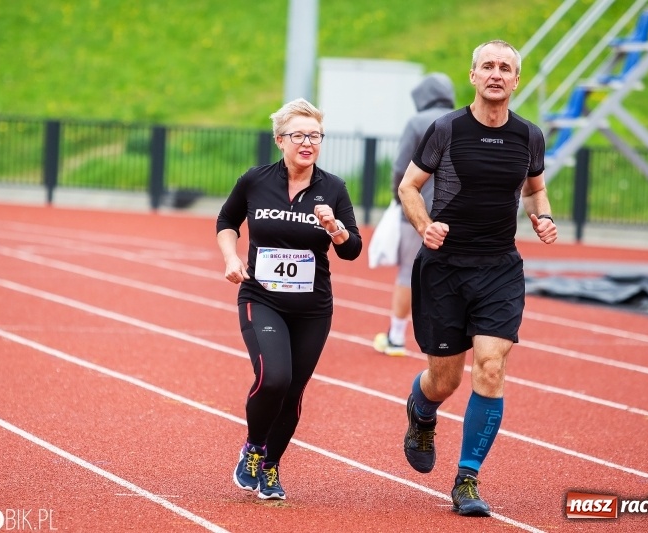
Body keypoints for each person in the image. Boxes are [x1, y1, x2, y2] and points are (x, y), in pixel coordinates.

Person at [397, 40, 557, 517]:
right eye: (487, 65)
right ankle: (422, 412)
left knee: (490, 366)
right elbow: (408, 186)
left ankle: (467, 478)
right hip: (445, 268)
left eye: (505, 68)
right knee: (444, 381)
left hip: (499, 267)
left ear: (516, 80)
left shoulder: (529, 136)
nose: (496, 73)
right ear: (472, 75)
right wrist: (427, 228)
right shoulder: (444, 129)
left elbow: (536, 189)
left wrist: (541, 216)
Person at [216, 98, 362, 500]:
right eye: (298, 135)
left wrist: (335, 229)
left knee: (294, 391)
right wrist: (231, 257)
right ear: (280, 140)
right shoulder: (255, 180)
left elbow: (352, 250)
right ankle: (253, 448)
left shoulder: (333, 187)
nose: (307, 143)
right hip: (262, 298)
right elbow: (227, 220)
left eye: (315, 136)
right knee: (274, 378)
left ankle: (272, 465)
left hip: (312, 308)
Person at [373, 73, 456, 357]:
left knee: (410, 271)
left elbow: (401, 167)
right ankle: (449, 340)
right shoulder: (463, 120)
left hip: (419, 209)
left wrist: (399, 199)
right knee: (453, 275)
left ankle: (396, 337)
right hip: (456, 212)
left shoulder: (418, 122)